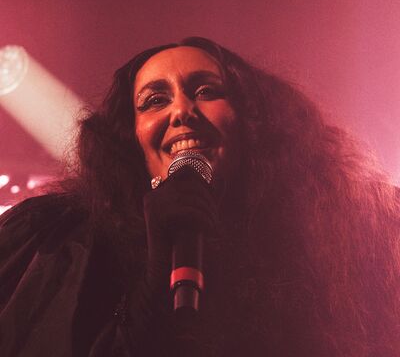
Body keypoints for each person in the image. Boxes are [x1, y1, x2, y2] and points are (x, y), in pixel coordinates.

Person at [1, 37, 399, 357]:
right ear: (128, 136)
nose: (183, 111)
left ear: (251, 120)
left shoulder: (356, 238)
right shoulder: (52, 241)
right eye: (155, 100)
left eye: (206, 91)